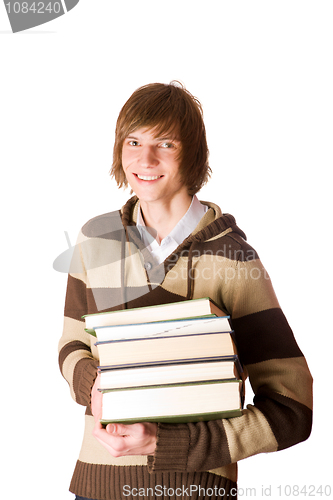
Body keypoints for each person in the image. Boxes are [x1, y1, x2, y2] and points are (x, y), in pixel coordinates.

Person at [59, 82, 313, 500]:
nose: (145, 159)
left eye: (166, 143)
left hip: (195, 491)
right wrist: (94, 386)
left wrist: (169, 444)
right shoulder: (96, 239)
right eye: (134, 141)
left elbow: (293, 410)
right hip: (96, 487)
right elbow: (71, 346)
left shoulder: (235, 259)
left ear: (192, 155)